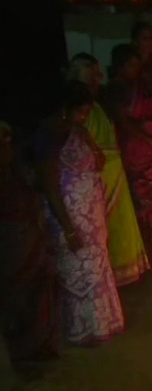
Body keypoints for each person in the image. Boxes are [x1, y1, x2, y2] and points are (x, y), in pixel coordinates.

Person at [34, 81, 124, 346]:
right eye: (81, 112)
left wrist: (87, 138)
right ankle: (82, 330)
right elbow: (50, 187)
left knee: (96, 267)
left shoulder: (77, 130)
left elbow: (99, 161)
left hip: (92, 215)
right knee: (76, 269)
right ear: (64, 108)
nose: (84, 117)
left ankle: (101, 324)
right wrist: (69, 228)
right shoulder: (47, 136)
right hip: (70, 216)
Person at [68, 54, 150, 286]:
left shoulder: (96, 108)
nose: (97, 83)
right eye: (91, 80)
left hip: (114, 177)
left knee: (119, 225)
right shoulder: (78, 117)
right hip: (97, 182)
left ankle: (123, 272)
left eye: (97, 78)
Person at [105, 44, 152, 245]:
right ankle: (147, 234)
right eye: (130, 65)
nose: (135, 69)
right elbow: (123, 121)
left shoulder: (143, 85)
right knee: (142, 190)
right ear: (120, 66)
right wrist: (149, 141)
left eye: (137, 65)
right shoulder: (116, 89)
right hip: (137, 148)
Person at [0, 121, 59, 363]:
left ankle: (39, 345)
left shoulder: (19, 172)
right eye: (2, 142)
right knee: (17, 300)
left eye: (8, 141)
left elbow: (36, 197)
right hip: (11, 247)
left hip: (31, 240)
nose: (7, 147)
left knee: (40, 293)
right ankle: (23, 352)